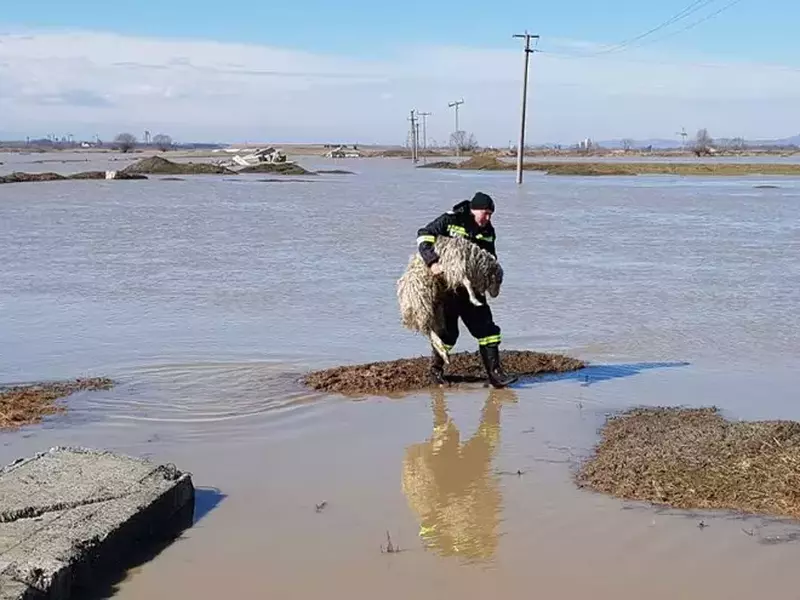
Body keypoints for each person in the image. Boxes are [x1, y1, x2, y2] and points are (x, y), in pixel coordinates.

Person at [416, 191, 518, 388]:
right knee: (448, 334)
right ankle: (435, 371)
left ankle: (496, 375)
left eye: (490, 214)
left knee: (488, 330)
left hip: (472, 290)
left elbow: (490, 258)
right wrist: (432, 262)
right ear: (474, 209)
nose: (487, 218)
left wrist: (492, 279)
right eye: (485, 213)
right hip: (447, 287)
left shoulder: (488, 231)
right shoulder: (451, 219)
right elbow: (423, 235)